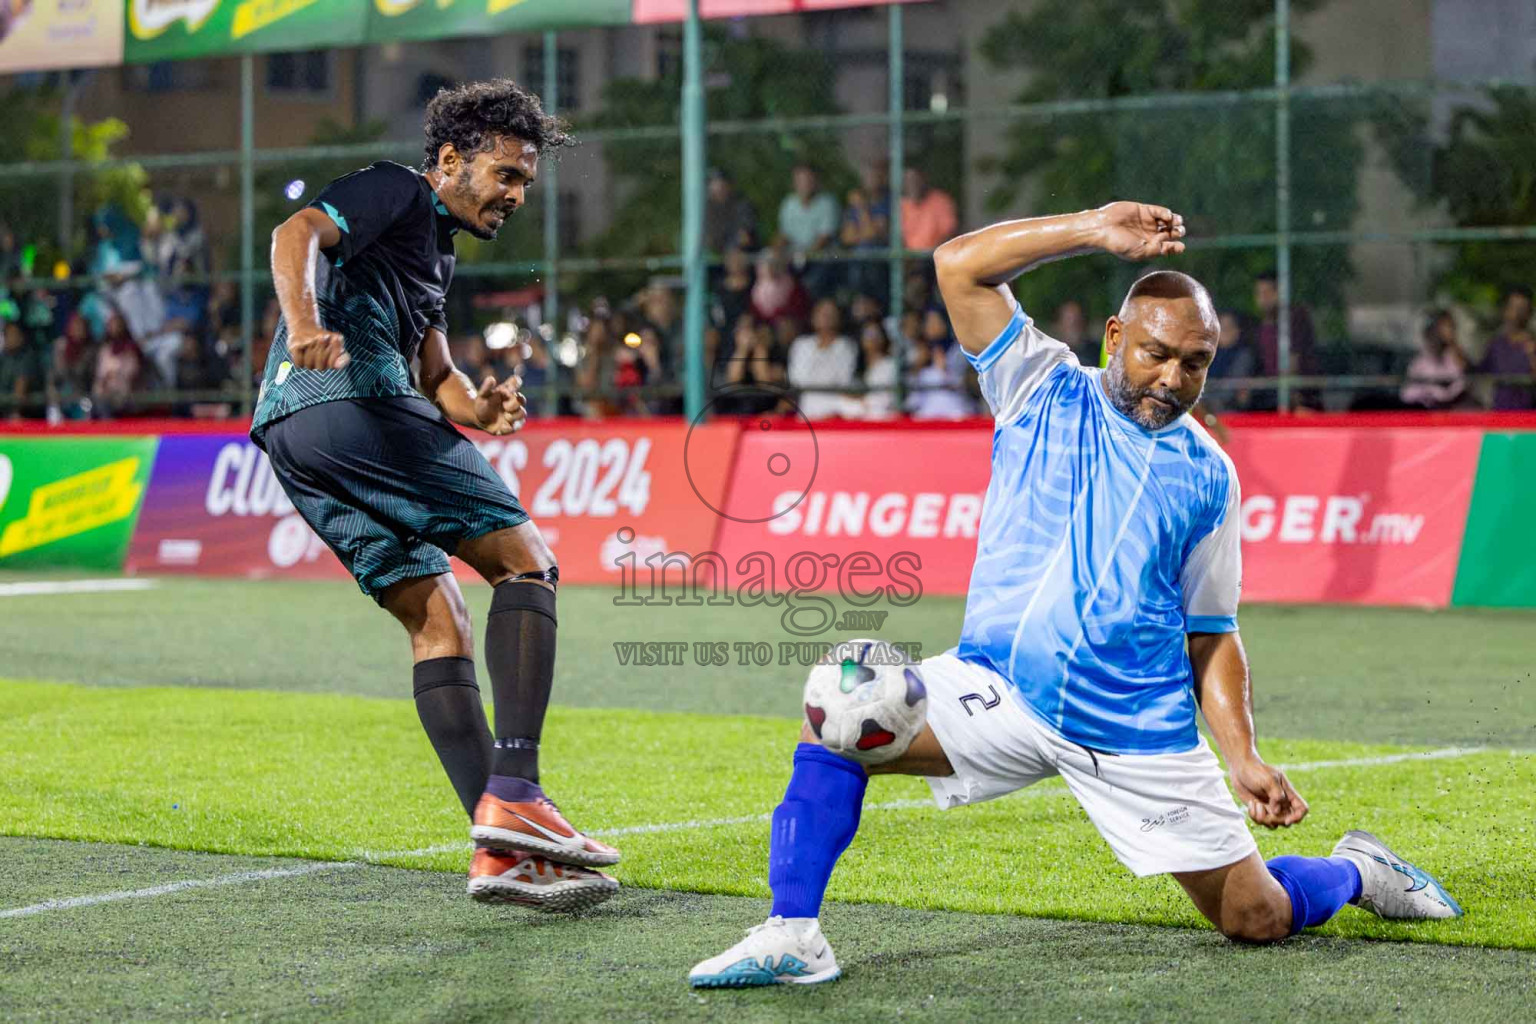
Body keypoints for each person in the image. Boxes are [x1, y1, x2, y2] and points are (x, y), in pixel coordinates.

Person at [689, 202, 1461, 989]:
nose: (1173, 378)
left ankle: (1358, 871)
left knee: (1253, 918)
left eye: (1195, 363)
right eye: (1156, 354)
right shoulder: (1041, 387)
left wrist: (1243, 755)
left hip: (1135, 728)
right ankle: (793, 932)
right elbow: (957, 265)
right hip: (1000, 687)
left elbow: (1211, 630)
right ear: (1114, 337)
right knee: (844, 717)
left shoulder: (1209, 476)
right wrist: (1094, 229)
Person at [248, 79, 619, 909]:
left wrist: (478, 408)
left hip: (292, 435)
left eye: (527, 180)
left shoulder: (430, 248)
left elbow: (438, 375)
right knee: (526, 563)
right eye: (507, 174)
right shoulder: (396, 190)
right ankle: (518, 790)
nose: (517, 194)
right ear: (450, 161)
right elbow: (296, 230)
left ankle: (502, 854)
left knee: (436, 615)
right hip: (351, 404)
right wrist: (305, 321)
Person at [1253, 270, 1318, 410]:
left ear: (1280, 294)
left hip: (1299, 398)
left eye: (1267, 293)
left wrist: (1294, 398)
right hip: (1270, 396)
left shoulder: (1295, 318)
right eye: (1259, 294)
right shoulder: (1259, 327)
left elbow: (1294, 360)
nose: (1263, 299)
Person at [786, 298, 859, 420]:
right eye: (822, 313)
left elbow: (843, 379)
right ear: (813, 317)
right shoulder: (801, 344)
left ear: (838, 318)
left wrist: (815, 378)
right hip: (807, 408)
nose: (826, 317)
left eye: (830, 314)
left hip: (837, 408)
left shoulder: (846, 346)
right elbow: (798, 379)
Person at [777, 164, 839, 297]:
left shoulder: (827, 203)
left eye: (808, 180)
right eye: (800, 180)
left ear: (816, 182)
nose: (805, 184)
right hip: (795, 257)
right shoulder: (788, 203)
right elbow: (784, 235)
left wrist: (804, 256)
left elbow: (825, 237)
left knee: (809, 285)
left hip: (821, 258)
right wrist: (774, 251)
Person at [1477, 286, 1535, 410]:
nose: (1517, 313)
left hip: (1529, 420)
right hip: (1500, 418)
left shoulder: (1532, 345)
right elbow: (1475, 374)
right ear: (1505, 310)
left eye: (1522, 308)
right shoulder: (1495, 345)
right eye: (1514, 307)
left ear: (1530, 312)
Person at [1401, 310, 1469, 410]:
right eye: (1444, 327)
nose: (1449, 331)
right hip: (1425, 409)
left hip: (1451, 408)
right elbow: (1409, 394)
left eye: (1451, 327)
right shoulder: (1422, 360)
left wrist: (1452, 343)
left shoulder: (1452, 354)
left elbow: (1462, 377)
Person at [1203, 310, 1257, 412]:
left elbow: (1232, 388)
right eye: (1221, 328)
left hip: (1231, 410)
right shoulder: (1208, 354)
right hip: (1205, 409)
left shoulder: (1244, 355)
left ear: (1237, 331)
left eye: (1228, 328)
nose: (1224, 332)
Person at [899, 167, 959, 252]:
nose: (912, 185)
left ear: (923, 180)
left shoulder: (940, 201)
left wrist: (935, 252)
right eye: (908, 181)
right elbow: (899, 236)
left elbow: (949, 233)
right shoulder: (902, 205)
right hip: (908, 259)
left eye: (916, 180)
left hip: (934, 256)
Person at [704, 168, 758, 255]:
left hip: (743, 256)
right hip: (716, 257)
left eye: (722, 185)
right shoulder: (705, 209)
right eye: (713, 184)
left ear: (730, 186)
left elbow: (745, 238)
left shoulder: (742, 205)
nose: (718, 189)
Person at [1051, 299, 1099, 366]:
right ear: (1059, 325)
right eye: (1069, 319)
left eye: (1077, 319)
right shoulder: (1052, 354)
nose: (1073, 324)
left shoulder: (1096, 351)